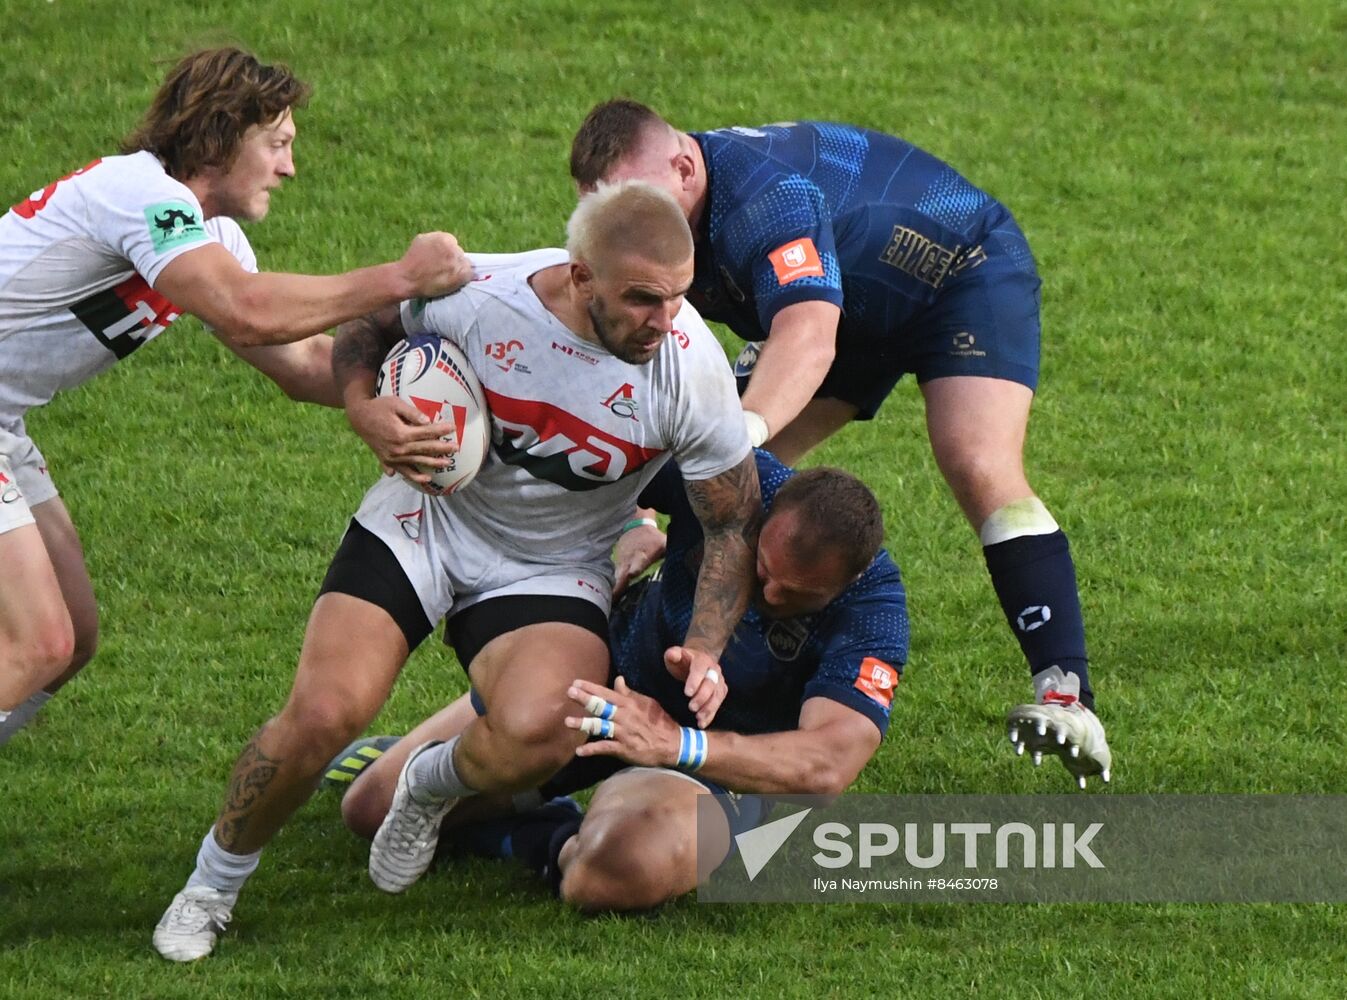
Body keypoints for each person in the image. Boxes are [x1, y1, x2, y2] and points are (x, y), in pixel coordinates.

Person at [152, 180, 762, 961]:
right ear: (581, 277)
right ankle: (211, 884)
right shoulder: (483, 295)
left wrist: (705, 644)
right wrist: (365, 406)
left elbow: (731, 519)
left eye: (677, 298)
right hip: (427, 522)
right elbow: (368, 330)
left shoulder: (690, 370)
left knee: (548, 728)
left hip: (549, 565)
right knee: (324, 715)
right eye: (642, 299)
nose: (664, 321)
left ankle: (428, 785)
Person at [568, 101, 1111, 787]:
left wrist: (740, 436)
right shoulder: (647, 227)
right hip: (846, 296)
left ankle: (1066, 693)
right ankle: (648, 626)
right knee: (691, 467)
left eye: (635, 203)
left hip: (957, 274)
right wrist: (639, 516)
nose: (624, 229)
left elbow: (807, 336)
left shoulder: (766, 201)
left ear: (682, 167)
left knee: (978, 465)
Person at [0, 47, 471, 744]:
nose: (289, 167)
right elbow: (244, 308)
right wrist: (401, 277)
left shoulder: (209, 233)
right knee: (35, 641)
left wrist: (385, 397)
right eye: (277, 144)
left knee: (72, 637)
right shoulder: (140, 194)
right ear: (222, 135)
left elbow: (299, 360)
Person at [336, 452, 908, 910]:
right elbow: (607, 450)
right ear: (767, 512)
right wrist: (638, 522)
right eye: (761, 570)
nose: (770, 597)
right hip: (610, 681)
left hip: (714, 766)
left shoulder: (875, 609)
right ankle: (488, 775)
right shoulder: (735, 476)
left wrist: (676, 745)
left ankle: (547, 834)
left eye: (799, 596)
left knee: (613, 871)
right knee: (371, 809)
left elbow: (828, 764)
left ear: (850, 579)